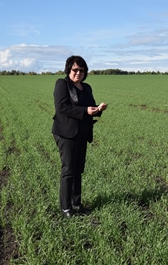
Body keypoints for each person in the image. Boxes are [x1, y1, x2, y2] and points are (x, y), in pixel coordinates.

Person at [52, 55, 107, 218]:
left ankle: (77, 203)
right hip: (66, 133)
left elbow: (90, 107)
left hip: (82, 133)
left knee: (78, 170)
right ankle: (66, 208)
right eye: (75, 69)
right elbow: (61, 107)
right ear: (68, 69)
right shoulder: (62, 84)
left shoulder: (86, 87)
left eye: (82, 70)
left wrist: (98, 109)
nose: (78, 73)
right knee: (68, 170)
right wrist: (85, 111)